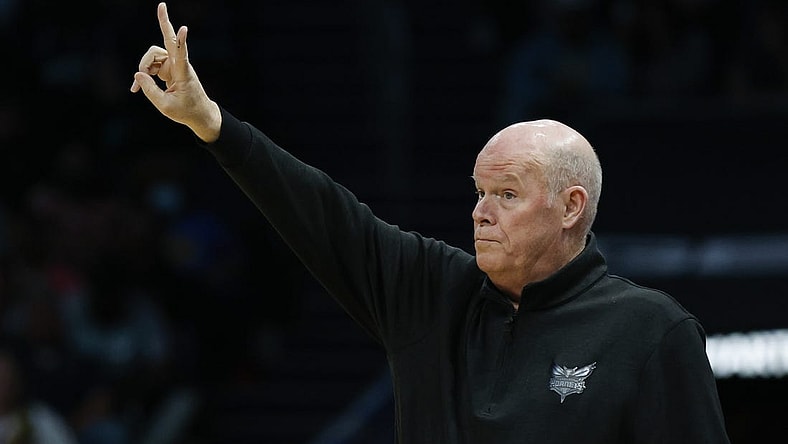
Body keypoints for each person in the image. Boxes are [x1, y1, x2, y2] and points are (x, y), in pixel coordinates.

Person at [130, 3, 731, 443]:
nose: (480, 211)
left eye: (507, 193)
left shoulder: (650, 332)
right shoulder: (433, 293)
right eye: (479, 191)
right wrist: (212, 124)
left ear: (571, 207)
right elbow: (323, 214)